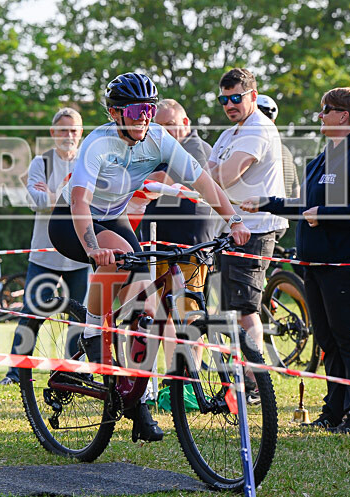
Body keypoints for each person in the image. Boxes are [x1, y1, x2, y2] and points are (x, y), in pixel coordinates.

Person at [46, 72, 250, 442]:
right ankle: (93, 332)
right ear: (115, 113)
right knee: (121, 259)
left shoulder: (158, 138)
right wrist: (93, 249)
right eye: (137, 109)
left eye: (151, 109)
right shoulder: (98, 142)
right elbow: (79, 201)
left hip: (113, 217)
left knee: (149, 305)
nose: (145, 117)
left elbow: (202, 181)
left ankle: (134, 400)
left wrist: (233, 219)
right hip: (73, 220)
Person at [241, 87, 350, 434]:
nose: (319, 116)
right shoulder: (326, 155)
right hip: (317, 265)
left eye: (325, 110)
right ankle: (334, 411)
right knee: (328, 339)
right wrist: (266, 203)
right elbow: (305, 206)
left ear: (343, 116)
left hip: (349, 264)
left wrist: (326, 214)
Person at [0, 107, 91, 386]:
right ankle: (15, 373)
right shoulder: (42, 162)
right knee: (31, 313)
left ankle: (71, 370)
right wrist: (71, 198)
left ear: (81, 133)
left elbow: (93, 201)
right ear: (52, 133)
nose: (69, 135)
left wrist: (54, 195)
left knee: (80, 317)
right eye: (63, 130)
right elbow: (35, 202)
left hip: (79, 254)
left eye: (74, 130)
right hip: (45, 253)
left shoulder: (87, 161)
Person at [208, 68, 287, 353]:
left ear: (252, 95)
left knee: (245, 311)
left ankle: (254, 386)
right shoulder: (231, 133)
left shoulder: (258, 128)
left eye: (235, 98)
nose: (229, 105)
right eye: (223, 100)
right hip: (232, 229)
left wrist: (216, 174)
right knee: (230, 312)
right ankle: (241, 384)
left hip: (255, 228)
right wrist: (215, 174)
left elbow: (222, 177)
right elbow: (208, 175)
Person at [137, 98, 213, 374]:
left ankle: (189, 384)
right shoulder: (154, 148)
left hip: (190, 245)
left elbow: (164, 178)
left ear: (185, 124)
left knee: (189, 313)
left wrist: (141, 178)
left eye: (170, 125)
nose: (164, 131)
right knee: (158, 313)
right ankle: (171, 377)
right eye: (159, 126)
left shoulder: (195, 146)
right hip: (156, 243)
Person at [257, 94, 300, 198]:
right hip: (283, 210)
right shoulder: (285, 150)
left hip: (260, 210)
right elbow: (296, 190)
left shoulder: (249, 147)